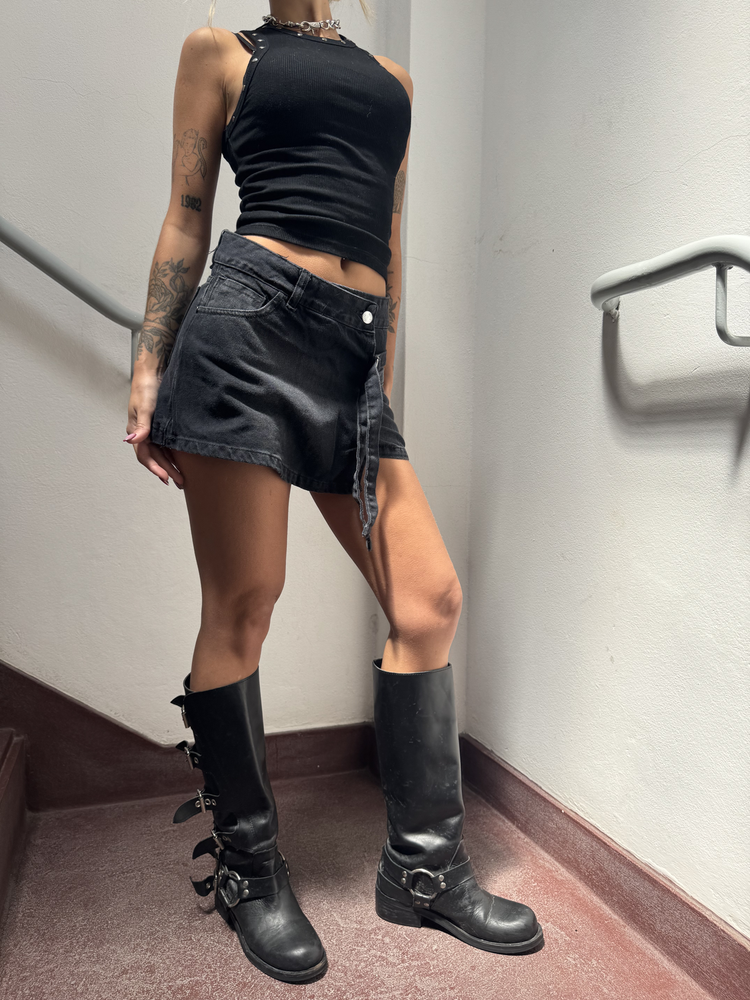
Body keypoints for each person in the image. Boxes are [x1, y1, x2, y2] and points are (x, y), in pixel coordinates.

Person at [125, 0, 543, 984]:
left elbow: (385, 238)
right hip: (247, 330)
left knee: (428, 598)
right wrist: (148, 366)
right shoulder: (220, 52)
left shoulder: (394, 81)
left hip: (349, 353)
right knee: (245, 600)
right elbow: (187, 212)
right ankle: (250, 870)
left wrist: (378, 380)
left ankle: (423, 872)